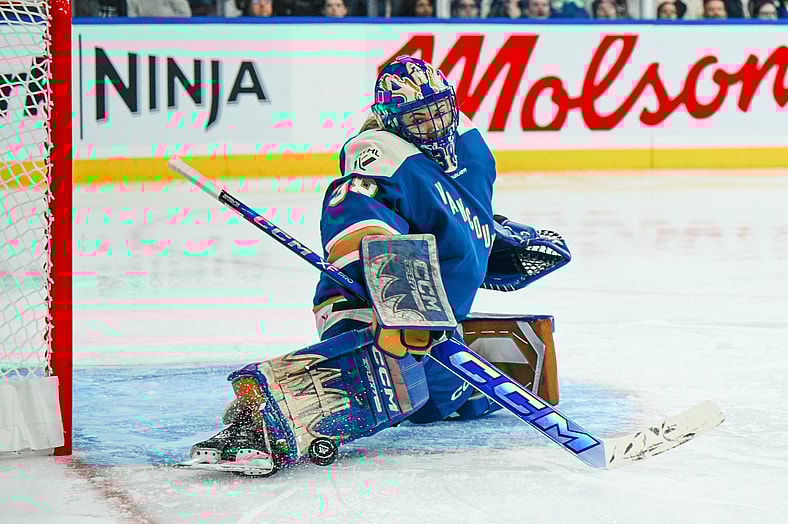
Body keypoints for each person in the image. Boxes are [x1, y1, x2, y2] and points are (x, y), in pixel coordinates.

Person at [185, 56, 570, 475]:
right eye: (418, 118)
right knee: (395, 381)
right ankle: (256, 425)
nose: (435, 124)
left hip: (440, 322)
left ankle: (460, 362)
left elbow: (458, 213)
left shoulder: (472, 146)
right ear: (391, 121)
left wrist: (493, 237)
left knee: (433, 400)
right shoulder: (378, 158)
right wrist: (401, 301)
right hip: (369, 306)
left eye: (440, 110)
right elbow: (358, 223)